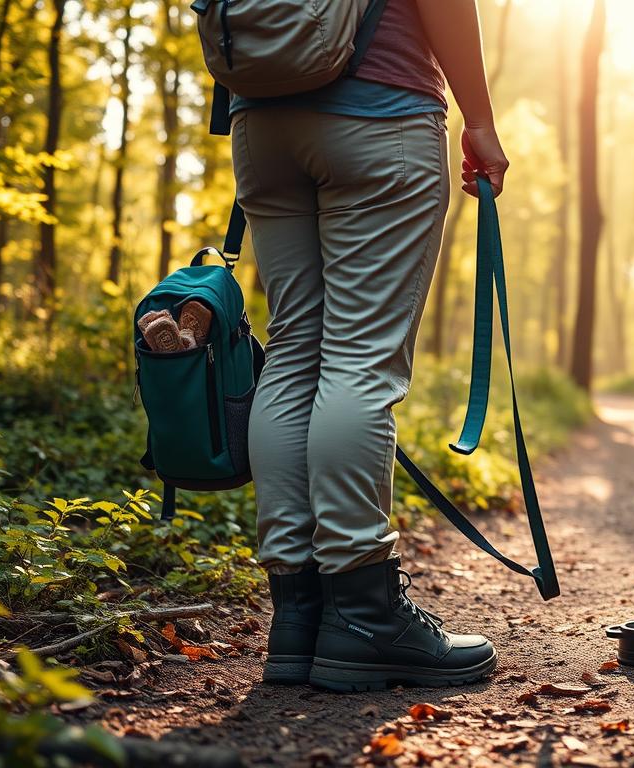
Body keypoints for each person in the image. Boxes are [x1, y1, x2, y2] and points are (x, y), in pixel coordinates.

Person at [231, 0, 509, 691]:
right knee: (358, 358)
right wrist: (478, 118)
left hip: (258, 118)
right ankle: (362, 617)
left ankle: (298, 617)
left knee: (294, 349)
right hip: (380, 110)